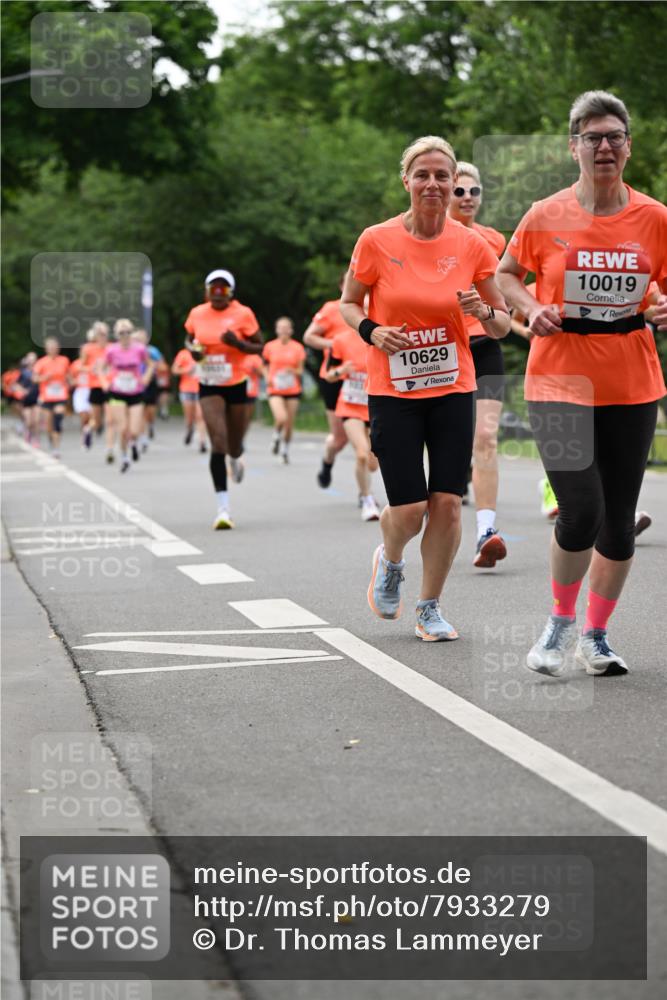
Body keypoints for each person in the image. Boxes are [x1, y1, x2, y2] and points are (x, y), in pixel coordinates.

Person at [496, 90, 667, 677]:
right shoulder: (545, 214)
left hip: (632, 381)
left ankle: (596, 636)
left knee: (619, 521)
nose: (604, 146)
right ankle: (559, 625)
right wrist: (529, 309)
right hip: (560, 379)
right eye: (592, 137)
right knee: (581, 510)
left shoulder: (655, 217)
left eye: (614, 136)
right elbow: (505, 275)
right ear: (574, 147)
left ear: (628, 147)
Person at [340, 135, 510, 641]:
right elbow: (349, 303)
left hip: (453, 385)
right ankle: (390, 560)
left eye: (444, 176)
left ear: (454, 182)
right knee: (410, 509)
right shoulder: (376, 240)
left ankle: (429, 607)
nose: (434, 184)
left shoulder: (472, 244)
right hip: (393, 389)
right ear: (407, 181)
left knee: (448, 503)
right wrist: (372, 331)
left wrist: (485, 313)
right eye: (424, 175)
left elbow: (502, 322)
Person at [447, 162, 508, 567]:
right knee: (448, 445)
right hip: (444, 350)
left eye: (474, 191)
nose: (467, 197)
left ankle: (486, 529)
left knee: (485, 438)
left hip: (485, 345)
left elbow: (503, 291)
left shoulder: (493, 240)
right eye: (459, 191)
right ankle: (437, 521)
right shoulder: (432, 235)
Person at [184, 269, 262, 529]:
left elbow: (261, 345)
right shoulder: (197, 313)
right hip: (208, 382)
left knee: (234, 444)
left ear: (231, 291)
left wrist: (238, 344)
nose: (218, 293)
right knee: (217, 441)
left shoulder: (243, 313)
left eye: (223, 289)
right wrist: (193, 351)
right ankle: (223, 508)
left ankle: (235, 456)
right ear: (207, 291)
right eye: (214, 288)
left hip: (236, 382)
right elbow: (189, 338)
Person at [325, 322, 380, 521]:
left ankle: (365, 490)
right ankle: (367, 500)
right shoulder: (340, 340)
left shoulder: (381, 335)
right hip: (350, 405)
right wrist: (341, 371)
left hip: (375, 406)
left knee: (374, 463)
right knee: (362, 454)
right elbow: (328, 375)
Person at [303, 274, 351, 488]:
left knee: (370, 443)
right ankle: (327, 463)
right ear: (342, 286)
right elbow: (309, 337)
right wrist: (335, 344)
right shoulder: (332, 309)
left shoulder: (373, 307)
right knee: (340, 439)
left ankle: (365, 494)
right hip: (335, 377)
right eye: (349, 281)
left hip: (365, 377)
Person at [102, 319, 154, 472]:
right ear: (116, 334)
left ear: (132, 334)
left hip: (135, 392)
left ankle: (133, 443)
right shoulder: (111, 350)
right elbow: (102, 368)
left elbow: (151, 364)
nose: (125, 335)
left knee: (134, 430)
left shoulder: (139, 349)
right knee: (122, 428)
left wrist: (146, 378)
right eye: (121, 333)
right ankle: (124, 457)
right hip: (117, 392)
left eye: (128, 333)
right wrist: (105, 382)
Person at [262, 316, 306, 464]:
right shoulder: (270, 347)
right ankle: (275, 437)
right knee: (281, 417)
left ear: (291, 330)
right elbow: (264, 365)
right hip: (275, 388)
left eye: (286, 327)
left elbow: (300, 370)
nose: (283, 330)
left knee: (289, 424)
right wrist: (267, 376)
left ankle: (285, 450)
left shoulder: (297, 347)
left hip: (292, 389)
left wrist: (292, 370)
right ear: (276, 330)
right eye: (280, 327)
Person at [32, 337, 71, 458]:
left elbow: (68, 376)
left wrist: (69, 383)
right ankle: (51, 439)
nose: (53, 350)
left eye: (55, 347)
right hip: (47, 396)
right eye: (51, 348)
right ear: (46, 349)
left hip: (60, 395)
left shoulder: (64, 360)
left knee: (58, 419)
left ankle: (56, 448)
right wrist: (44, 378)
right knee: (49, 424)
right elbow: (34, 378)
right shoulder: (41, 362)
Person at [172, 341, 207, 452]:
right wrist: (187, 370)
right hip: (186, 389)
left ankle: (202, 442)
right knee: (189, 417)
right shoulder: (183, 354)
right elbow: (174, 370)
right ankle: (189, 429)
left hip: (201, 388)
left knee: (200, 416)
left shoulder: (205, 354)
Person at [80, 322, 109, 447]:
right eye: (99, 334)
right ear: (95, 335)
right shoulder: (88, 348)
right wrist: (91, 368)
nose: (102, 336)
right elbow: (81, 366)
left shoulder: (112, 347)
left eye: (104, 334)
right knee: (96, 420)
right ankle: (88, 430)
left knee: (111, 417)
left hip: (109, 386)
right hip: (95, 386)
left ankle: (111, 445)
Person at [68, 346, 92, 446]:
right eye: (83, 352)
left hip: (91, 390)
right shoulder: (75, 364)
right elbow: (69, 377)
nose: (85, 354)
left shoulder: (92, 363)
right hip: (80, 391)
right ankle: (84, 433)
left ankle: (87, 430)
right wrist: (73, 382)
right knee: (83, 414)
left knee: (90, 415)